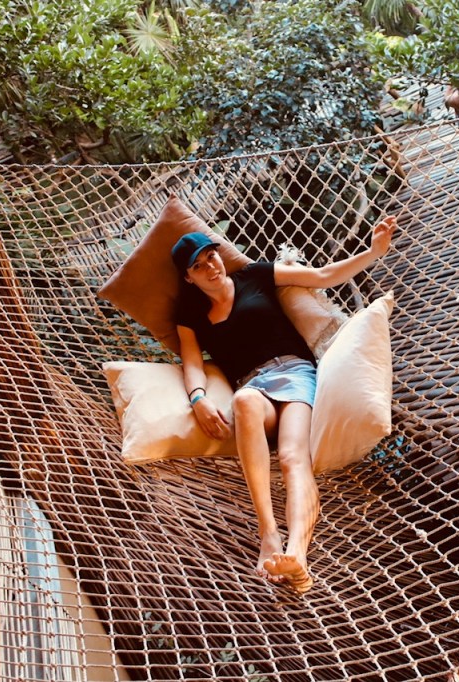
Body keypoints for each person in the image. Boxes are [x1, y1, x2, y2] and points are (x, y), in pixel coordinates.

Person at [171, 215, 397, 593]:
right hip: (253, 388)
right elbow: (191, 363)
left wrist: (373, 252)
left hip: (294, 374)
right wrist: (198, 399)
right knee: (244, 400)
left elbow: (322, 276)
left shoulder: (255, 275)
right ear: (188, 278)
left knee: (293, 457)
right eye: (199, 265)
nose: (211, 267)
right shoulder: (189, 314)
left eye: (211, 256)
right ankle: (269, 534)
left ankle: (297, 558)